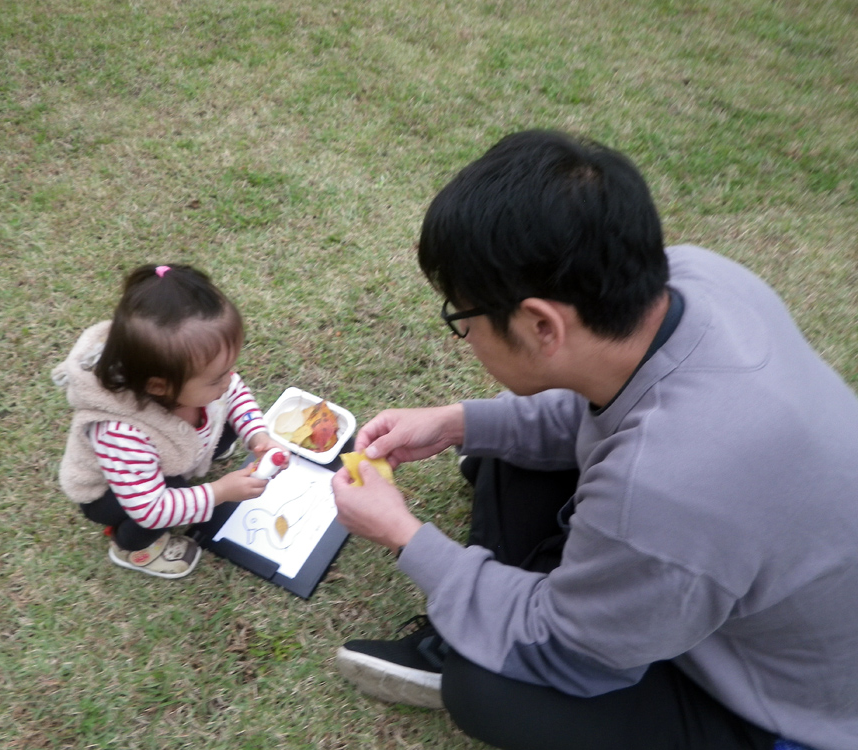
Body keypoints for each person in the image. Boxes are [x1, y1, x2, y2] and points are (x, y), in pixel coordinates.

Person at [330, 130, 858, 750]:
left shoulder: (667, 485)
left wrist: (403, 534)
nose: (465, 335)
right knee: (500, 450)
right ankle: (501, 598)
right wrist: (458, 422)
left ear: (541, 324)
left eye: (462, 318)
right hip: (722, 563)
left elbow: (565, 650)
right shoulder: (695, 278)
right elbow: (596, 408)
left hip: (784, 707)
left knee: (485, 689)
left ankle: (476, 620)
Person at [52, 264, 280, 578]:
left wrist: (257, 436)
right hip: (112, 493)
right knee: (166, 496)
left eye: (230, 369)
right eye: (216, 379)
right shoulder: (120, 432)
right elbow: (149, 507)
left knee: (224, 415)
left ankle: (198, 452)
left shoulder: (199, 379)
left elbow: (235, 391)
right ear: (159, 386)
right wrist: (219, 492)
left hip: (170, 449)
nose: (230, 380)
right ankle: (130, 547)